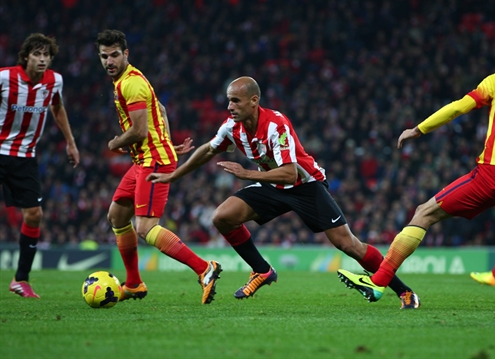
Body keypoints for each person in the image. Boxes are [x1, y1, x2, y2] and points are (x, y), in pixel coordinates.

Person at [337, 36, 495, 313]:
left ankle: (378, 282)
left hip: (493, 174)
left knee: (424, 212)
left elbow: (457, 107)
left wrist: (419, 129)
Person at [148, 76, 421, 309]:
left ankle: (404, 291)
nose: (230, 107)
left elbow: (290, 173)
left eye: (236, 101)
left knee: (348, 244)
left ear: (254, 101)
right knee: (223, 217)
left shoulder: (276, 125)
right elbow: (208, 150)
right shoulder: (232, 127)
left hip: (306, 186)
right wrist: (174, 174)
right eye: (228, 101)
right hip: (272, 184)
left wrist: (247, 174)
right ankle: (262, 270)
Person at [95, 29, 221, 305]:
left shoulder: (131, 83)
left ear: (126, 54)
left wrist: (115, 142)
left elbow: (139, 131)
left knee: (145, 227)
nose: (109, 61)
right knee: (117, 216)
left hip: (154, 161)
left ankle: (204, 269)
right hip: (146, 158)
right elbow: (160, 110)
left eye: (115, 55)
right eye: (104, 56)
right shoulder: (123, 82)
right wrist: (165, 140)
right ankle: (134, 283)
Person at [1, 33, 80, 298]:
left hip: (25, 156)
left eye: (47, 54)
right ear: (26, 57)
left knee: (34, 214)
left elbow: (58, 108)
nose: (43, 59)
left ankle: (20, 279)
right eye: (37, 54)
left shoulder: (54, 81)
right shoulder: (5, 77)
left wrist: (70, 142)